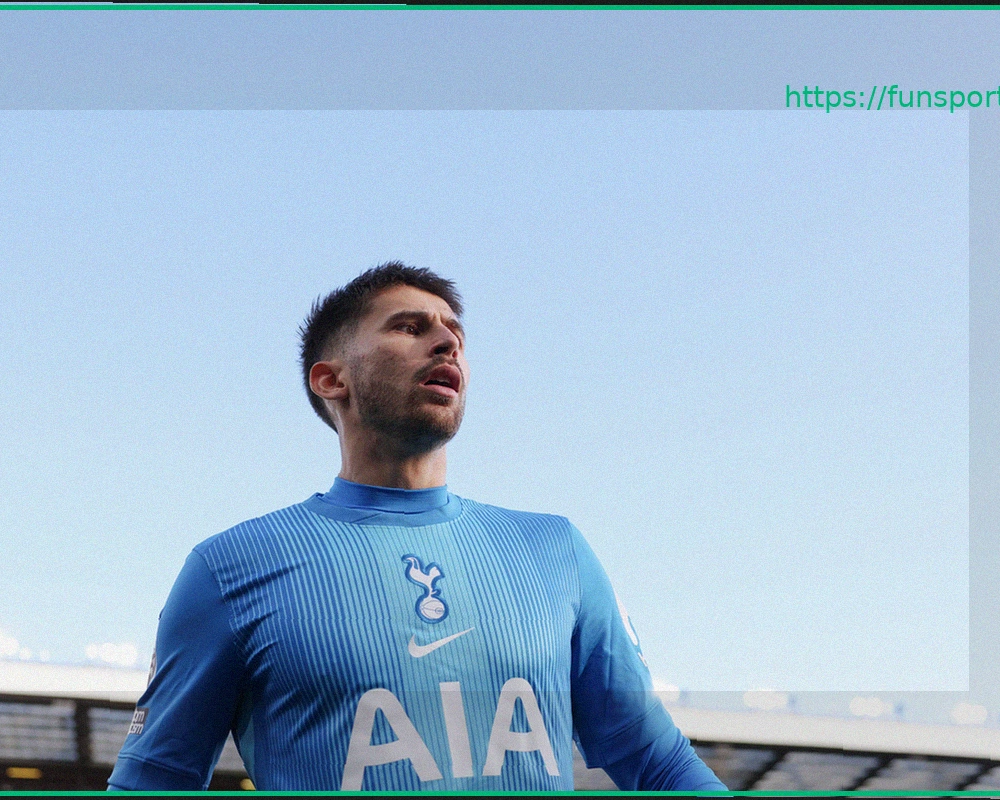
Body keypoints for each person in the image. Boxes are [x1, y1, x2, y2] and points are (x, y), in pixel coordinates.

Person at [108, 262, 727, 792]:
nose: (446, 342)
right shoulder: (228, 570)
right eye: (409, 327)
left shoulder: (555, 550)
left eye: (455, 332)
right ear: (331, 379)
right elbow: (152, 783)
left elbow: (659, 763)